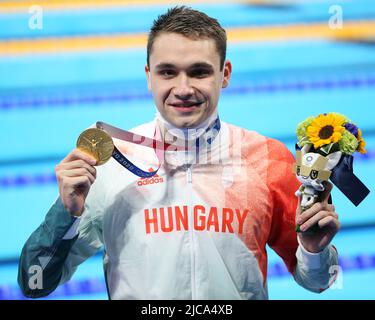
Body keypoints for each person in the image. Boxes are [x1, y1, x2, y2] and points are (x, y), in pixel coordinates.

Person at [18, 6, 340, 300]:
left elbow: (320, 281)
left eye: (199, 72)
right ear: (149, 76)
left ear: (224, 74)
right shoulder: (111, 162)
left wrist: (314, 252)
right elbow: (35, 283)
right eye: (168, 72)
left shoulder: (267, 158)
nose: (183, 88)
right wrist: (66, 213)